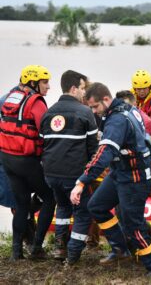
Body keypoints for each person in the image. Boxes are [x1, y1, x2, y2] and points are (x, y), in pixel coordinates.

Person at [70, 82, 151, 276]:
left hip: (135, 177)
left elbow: (105, 152)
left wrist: (82, 180)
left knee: (132, 223)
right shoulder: (122, 109)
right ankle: (121, 249)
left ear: (105, 99)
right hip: (121, 172)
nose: (94, 111)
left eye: (95, 107)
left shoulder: (118, 119)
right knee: (96, 206)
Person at [40, 70, 99, 263]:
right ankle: (73, 253)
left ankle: (60, 248)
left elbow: (43, 144)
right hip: (73, 175)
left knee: (63, 207)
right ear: (74, 88)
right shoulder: (85, 112)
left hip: (51, 174)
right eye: (82, 88)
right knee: (83, 211)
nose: (84, 93)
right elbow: (93, 149)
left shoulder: (49, 112)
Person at [0, 65, 56, 260]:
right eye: (45, 82)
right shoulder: (37, 102)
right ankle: (37, 248)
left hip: (7, 160)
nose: (48, 87)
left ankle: (16, 252)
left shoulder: (9, 97)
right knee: (50, 197)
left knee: (21, 204)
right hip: (27, 161)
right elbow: (47, 131)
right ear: (33, 83)